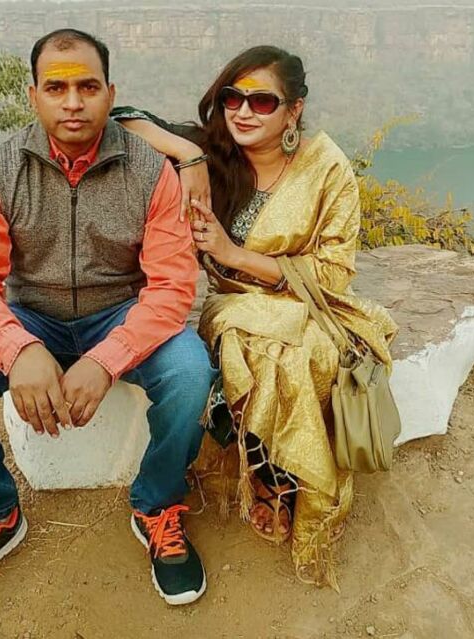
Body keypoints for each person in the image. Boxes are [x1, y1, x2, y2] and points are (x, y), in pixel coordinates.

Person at [0, 28, 217, 620]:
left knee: (189, 371)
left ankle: (157, 505)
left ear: (111, 94)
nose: (73, 103)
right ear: (33, 96)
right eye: (56, 89)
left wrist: (107, 359)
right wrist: (18, 349)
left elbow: (171, 288)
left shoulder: (150, 172)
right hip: (31, 314)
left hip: (120, 312)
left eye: (88, 87)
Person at [113, 45, 398, 587]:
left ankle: (285, 477)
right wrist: (189, 156)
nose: (243, 112)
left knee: (308, 352)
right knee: (262, 347)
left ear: (294, 110)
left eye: (262, 101)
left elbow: (334, 273)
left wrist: (234, 253)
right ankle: (268, 475)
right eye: (232, 98)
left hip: (308, 302)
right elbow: (121, 120)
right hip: (233, 305)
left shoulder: (327, 169)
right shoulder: (212, 153)